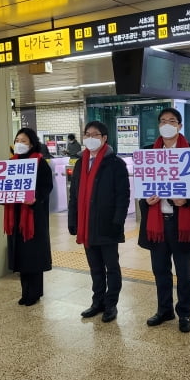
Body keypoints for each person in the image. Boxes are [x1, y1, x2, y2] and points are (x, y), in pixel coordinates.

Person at [137, 108, 190, 333]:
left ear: (179, 125)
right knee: (160, 270)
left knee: (184, 272)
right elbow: (143, 188)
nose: (167, 124)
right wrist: (146, 201)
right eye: (163, 121)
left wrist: (186, 200)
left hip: (181, 223)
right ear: (158, 126)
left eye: (172, 121)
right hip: (156, 222)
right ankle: (164, 309)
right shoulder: (148, 152)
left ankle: (184, 313)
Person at [68, 121, 130, 323]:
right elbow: (74, 196)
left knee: (111, 267)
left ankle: (111, 305)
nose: (90, 138)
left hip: (107, 224)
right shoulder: (80, 163)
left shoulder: (115, 163)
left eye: (95, 135)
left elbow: (123, 196)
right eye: (87, 134)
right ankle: (98, 302)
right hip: (86, 225)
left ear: (104, 138)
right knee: (95, 267)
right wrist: (73, 220)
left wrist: (117, 222)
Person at [0, 127, 53, 306]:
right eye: (17, 140)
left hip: (32, 217)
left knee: (33, 256)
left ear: (32, 143)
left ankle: (35, 292)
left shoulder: (40, 163)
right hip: (15, 218)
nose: (19, 144)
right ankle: (25, 292)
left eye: (23, 141)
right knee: (21, 256)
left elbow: (47, 187)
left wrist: (36, 198)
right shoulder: (10, 163)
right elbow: (5, 189)